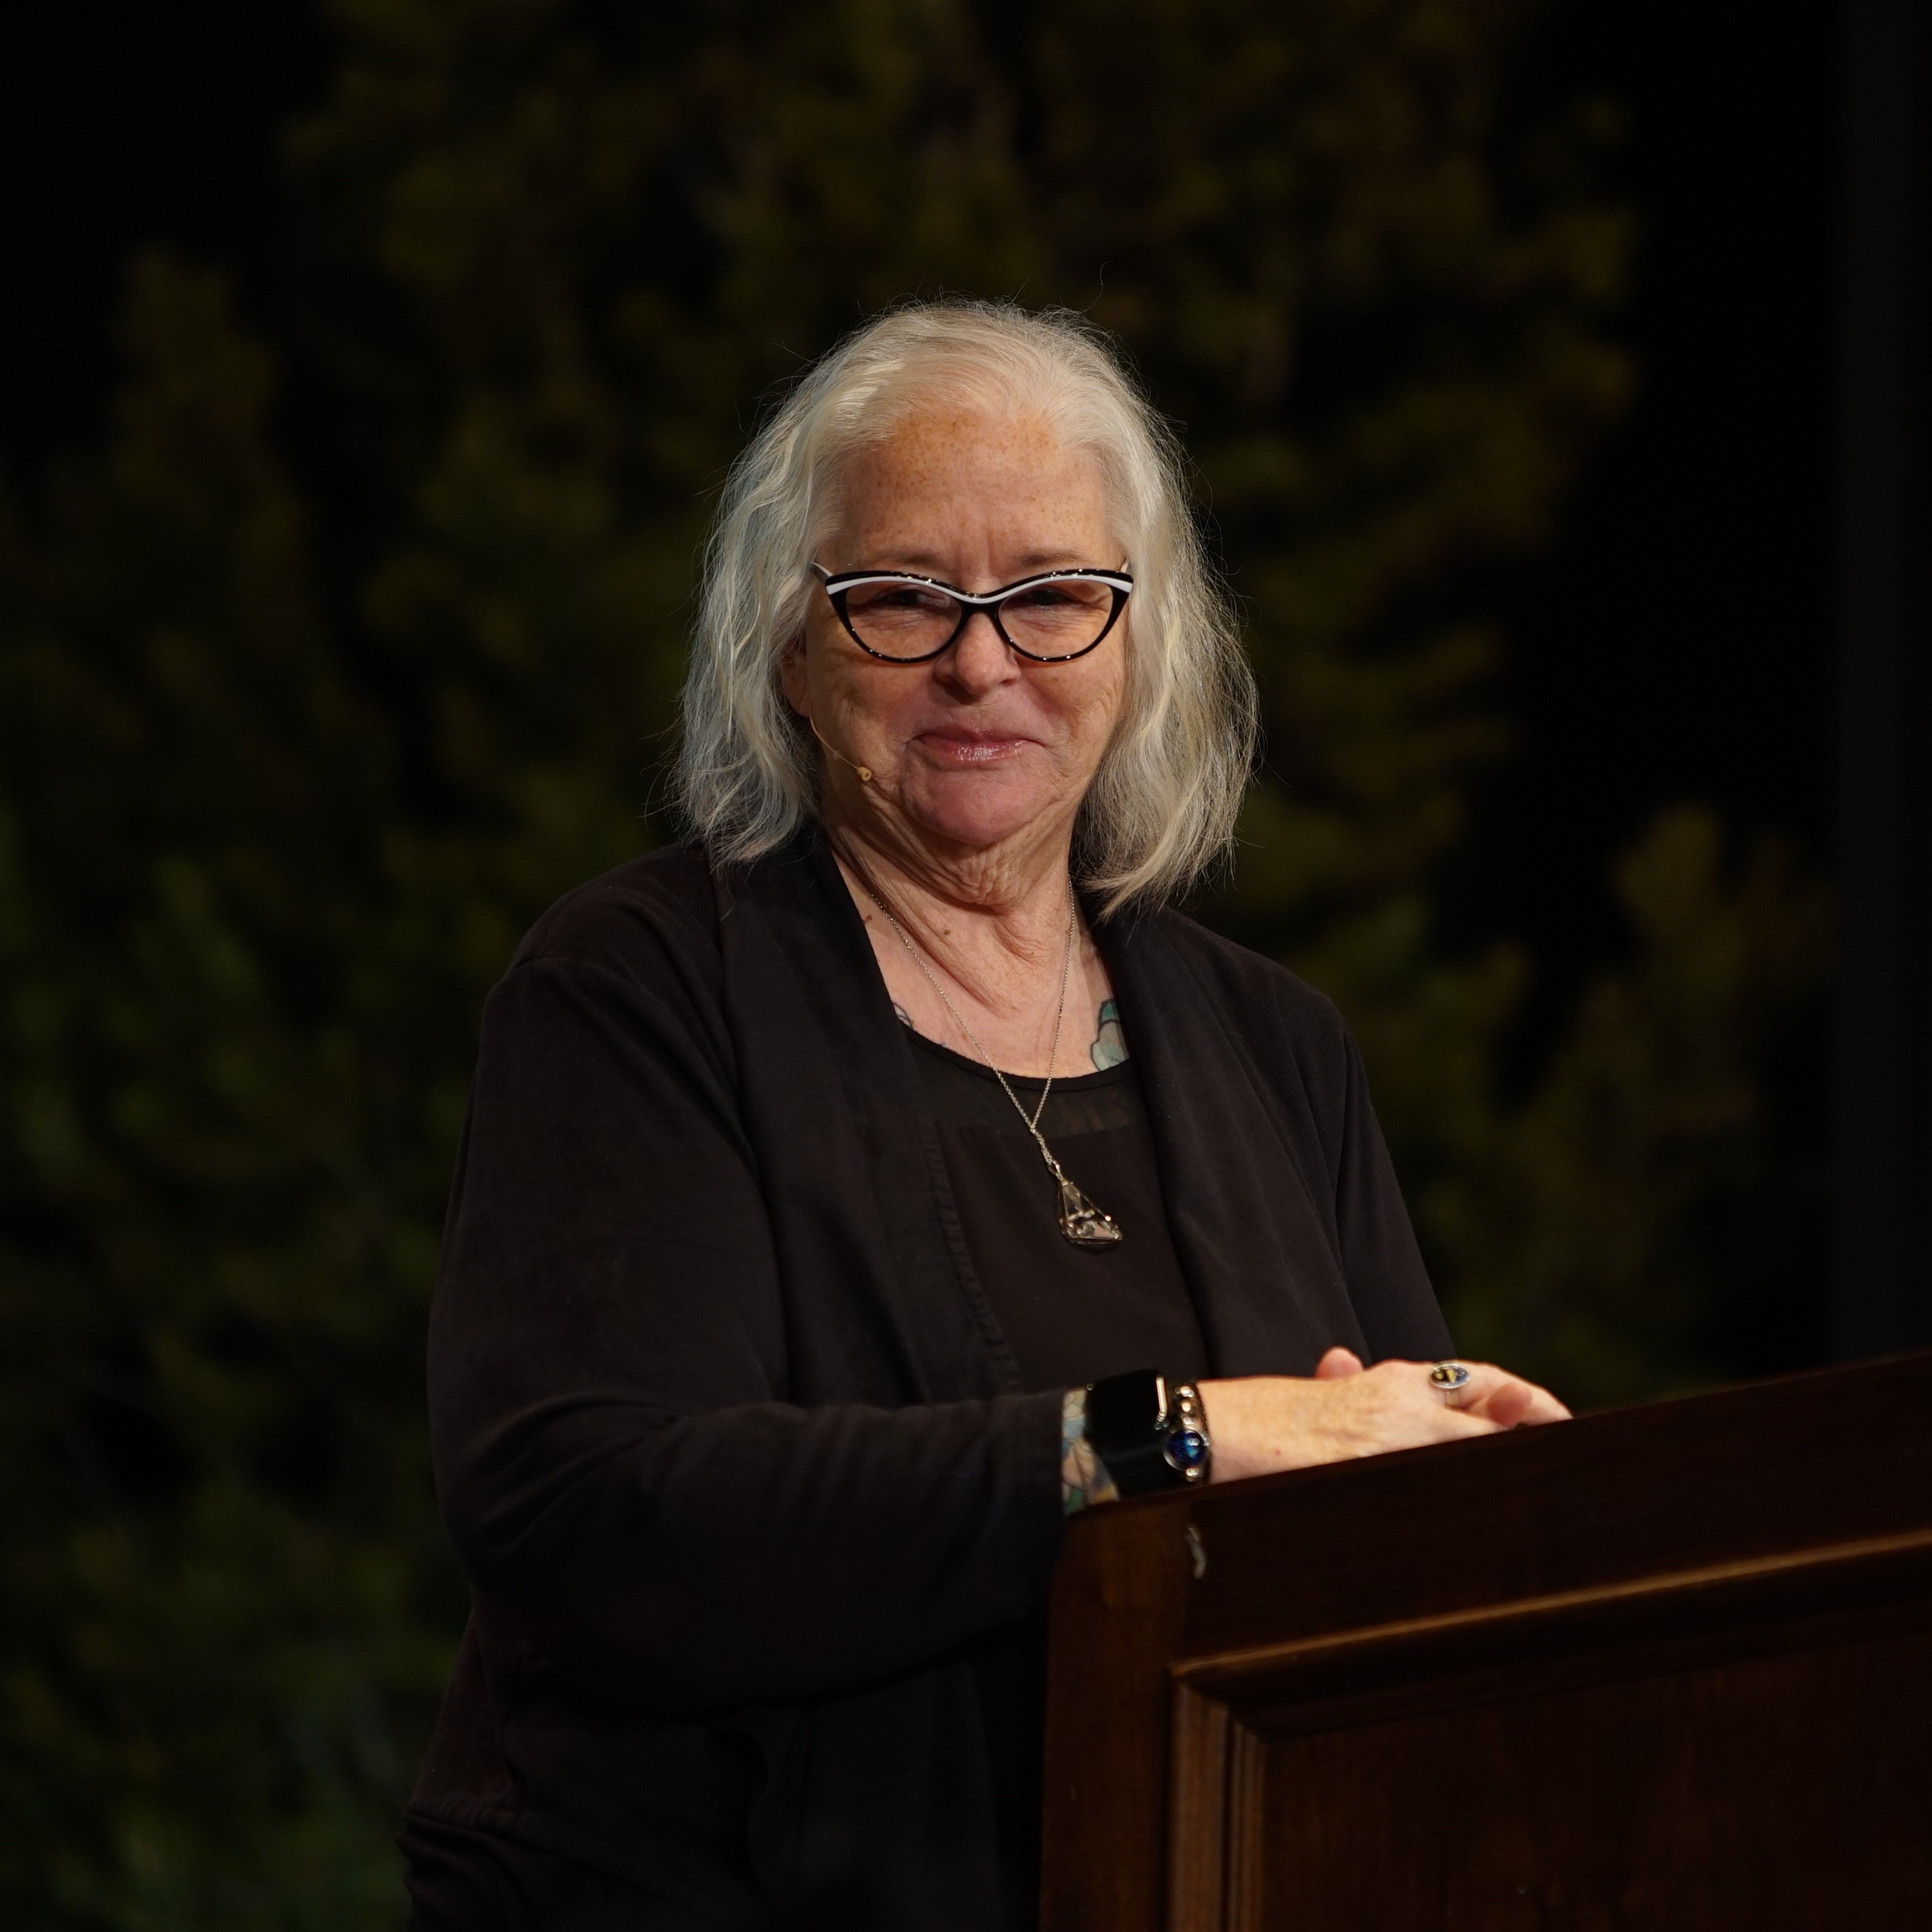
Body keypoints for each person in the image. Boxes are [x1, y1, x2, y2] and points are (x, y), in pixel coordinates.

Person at [398, 302, 1567, 1931]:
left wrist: (1485, 1480)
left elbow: (1375, 1528)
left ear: (1137, 647)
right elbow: (593, 1518)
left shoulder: (1275, 1044)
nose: (981, 658)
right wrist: (1173, 1438)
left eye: (1053, 597)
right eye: (901, 597)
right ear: (792, 652)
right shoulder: (637, 988)